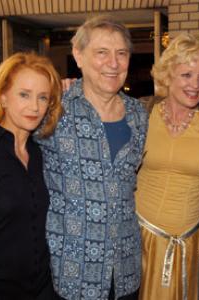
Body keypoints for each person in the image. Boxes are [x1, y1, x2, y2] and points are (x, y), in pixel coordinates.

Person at [38, 15, 148, 300]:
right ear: (78, 55)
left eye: (121, 54)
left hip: (125, 269)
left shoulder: (139, 114)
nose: (113, 63)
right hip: (71, 271)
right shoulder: (52, 109)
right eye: (102, 53)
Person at [135, 33, 199, 300]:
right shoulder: (140, 111)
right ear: (168, 74)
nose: (195, 84)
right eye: (187, 74)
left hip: (189, 242)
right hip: (139, 240)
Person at [0, 52, 63, 299]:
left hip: (42, 289)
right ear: (2, 97)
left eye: (43, 97)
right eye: (24, 94)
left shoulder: (39, 152)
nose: (34, 106)